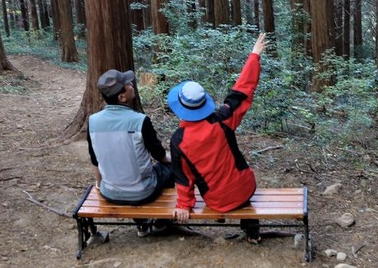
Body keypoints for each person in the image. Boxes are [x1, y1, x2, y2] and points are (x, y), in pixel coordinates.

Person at [167, 33, 268, 243]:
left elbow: (183, 178)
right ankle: (252, 233)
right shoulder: (223, 119)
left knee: (215, 186)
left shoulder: (179, 141)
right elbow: (242, 91)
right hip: (245, 188)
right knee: (241, 190)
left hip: (217, 200)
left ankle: (238, 224)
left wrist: (184, 205)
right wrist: (254, 56)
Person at [87, 68, 174, 236]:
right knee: (170, 169)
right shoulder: (140, 120)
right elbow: (159, 155)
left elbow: (94, 158)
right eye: (127, 84)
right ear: (122, 97)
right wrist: (170, 159)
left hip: (109, 192)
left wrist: (99, 185)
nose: (131, 85)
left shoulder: (93, 121)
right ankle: (161, 222)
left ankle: (141, 224)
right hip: (142, 192)